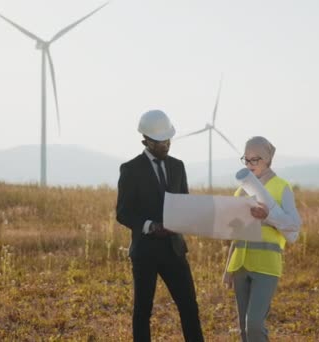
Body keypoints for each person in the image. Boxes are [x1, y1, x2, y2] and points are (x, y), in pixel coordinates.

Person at [116, 109, 204, 342]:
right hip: (145, 253)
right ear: (145, 140)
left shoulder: (178, 166)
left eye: (168, 139)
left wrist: (189, 219)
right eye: (160, 141)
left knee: (189, 307)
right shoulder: (130, 169)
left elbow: (183, 202)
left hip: (174, 250)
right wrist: (150, 226)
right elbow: (123, 213)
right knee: (143, 311)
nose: (166, 145)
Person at [222, 136, 302, 342]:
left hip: (266, 266)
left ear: (267, 159)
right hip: (240, 265)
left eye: (254, 160)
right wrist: (228, 269)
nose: (249, 165)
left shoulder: (281, 186)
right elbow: (236, 234)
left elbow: (294, 226)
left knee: (254, 325)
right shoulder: (240, 190)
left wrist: (267, 215)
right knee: (243, 329)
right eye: (245, 160)